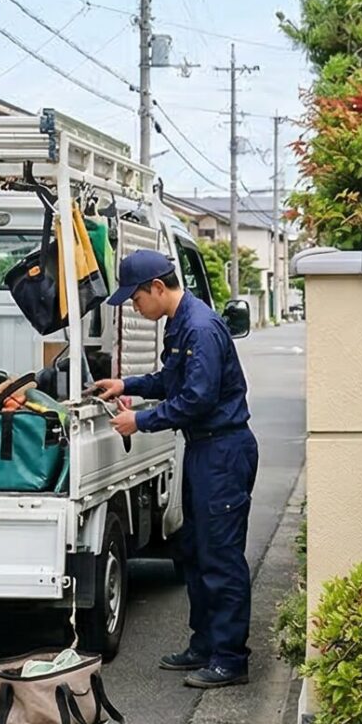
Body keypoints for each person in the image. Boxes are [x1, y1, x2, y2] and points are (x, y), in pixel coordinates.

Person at [92, 250, 258, 689]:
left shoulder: (201, 328)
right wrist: (127, 385)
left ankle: (230, 658)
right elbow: (172, 381)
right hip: (206, 451)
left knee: (221, 558)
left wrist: (140, 420)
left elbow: (197, 400)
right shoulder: (181, 321)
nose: (134, 307)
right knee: (196, 551)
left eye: (135, 299)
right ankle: (204, 644)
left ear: (158, 288)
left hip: (223, 452)